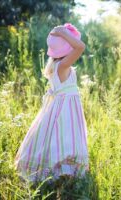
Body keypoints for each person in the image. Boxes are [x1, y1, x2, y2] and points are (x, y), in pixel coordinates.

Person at [14, 22, 90, 186]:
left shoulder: (56, 65)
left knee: (53, 136)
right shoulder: (63, 66)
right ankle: (63, 170)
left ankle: (61, 169)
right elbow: (81, 47)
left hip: (59, 106)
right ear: (67, 47)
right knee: (64, 137)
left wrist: (62, 34)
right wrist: (63, 33)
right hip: (66, 109)